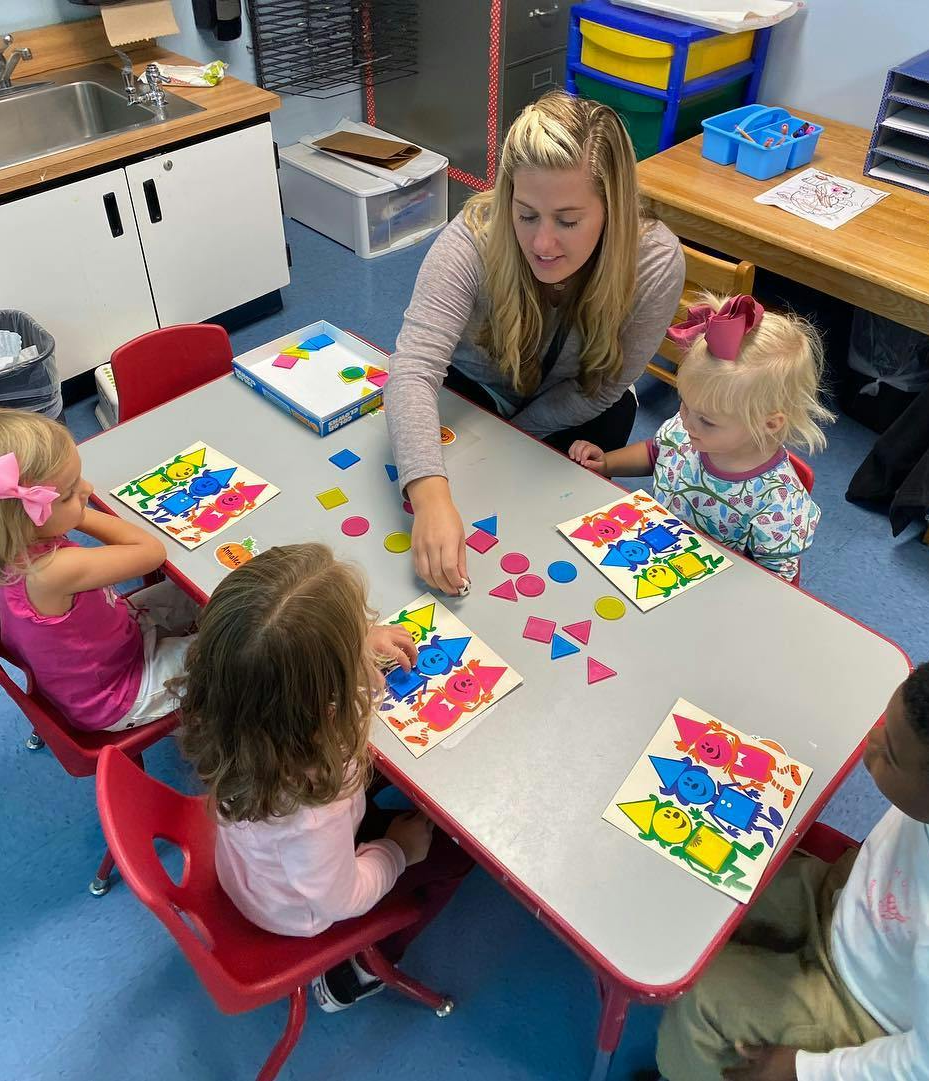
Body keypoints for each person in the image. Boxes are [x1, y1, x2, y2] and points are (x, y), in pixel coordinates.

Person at [653, 656, 929, 1081]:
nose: (871, 738)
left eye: (888, 752)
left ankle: (677, 1071)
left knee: (704, 1000)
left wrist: (805, 1069)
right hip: (846, 907)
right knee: (703, 877)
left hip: (856, 1006)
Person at [385, 90, 685, 595]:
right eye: (526, 215)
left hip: (577, 405)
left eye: (568, 221)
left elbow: (604, 385)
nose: (543, 244)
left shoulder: (654, 262)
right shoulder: (474, 238)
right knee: (446, 485)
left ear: (613, 209)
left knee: (546, 529)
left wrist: (516, 438)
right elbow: (413, 369)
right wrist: (432, 498)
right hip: (476, 391)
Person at [177, 544, 474, 1011]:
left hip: (258, 864)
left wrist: (349, 651)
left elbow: (285, 671)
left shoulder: (232, 710)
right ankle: (357, 974)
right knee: (458, 854)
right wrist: (397, 852)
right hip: (300, 909)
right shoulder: (316, 806)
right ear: (327, 702)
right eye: (355, 639)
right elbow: (340, 898)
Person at [0, 408, 196, 732]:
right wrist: (79, 515)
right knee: (243, 653)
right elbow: (152, 553)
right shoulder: (52, 570)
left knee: (194, 594)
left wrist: (65, 507)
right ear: (21, 517)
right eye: (69, 492)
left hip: (110, 643)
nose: (88, 489)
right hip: (117, 694)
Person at [571, 294, 831, 582]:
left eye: (706, 420)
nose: (686, 420)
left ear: (768, 424)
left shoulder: (779, 503)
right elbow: (656, 453)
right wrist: (606, 463)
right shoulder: (690, 431)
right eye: (683, 403)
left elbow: (776, 583)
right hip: (654, 559)